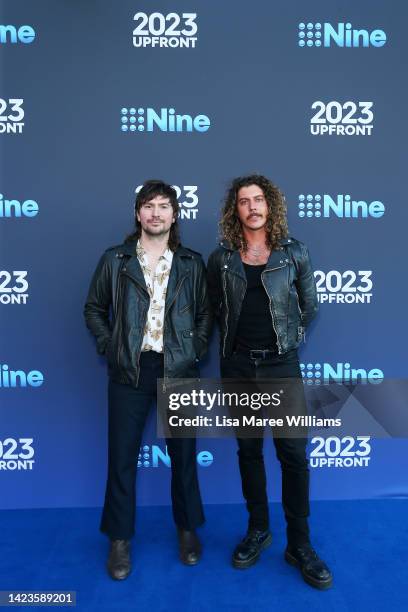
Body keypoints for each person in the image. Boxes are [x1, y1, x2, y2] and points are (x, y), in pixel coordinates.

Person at [207, 174, 333, 589]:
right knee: (249, 452)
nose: (252, 207)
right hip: (238, 368)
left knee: (293, 455)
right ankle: (258, 529)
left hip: (281, 366)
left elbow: (310, 305)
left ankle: (299, 543)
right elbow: (213, 309)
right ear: (235, 210)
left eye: (259, 199)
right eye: (244, 201)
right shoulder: (221, 258)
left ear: (271, 206)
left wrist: (288, 344)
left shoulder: (295, 253)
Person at [84, 180, 211, 579]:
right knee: (121, 459)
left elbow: (207, 315)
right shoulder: (115, 260)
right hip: (129, 371)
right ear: (138, 213)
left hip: (178, 370)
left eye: (163, 206)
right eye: (148, 206)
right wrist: (111, 347)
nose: (156, 213)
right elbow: (93, 309)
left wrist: (195, 349)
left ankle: (187, 530)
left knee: (185, 459)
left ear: (175, 214)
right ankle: (119, 540)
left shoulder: (191, 262)